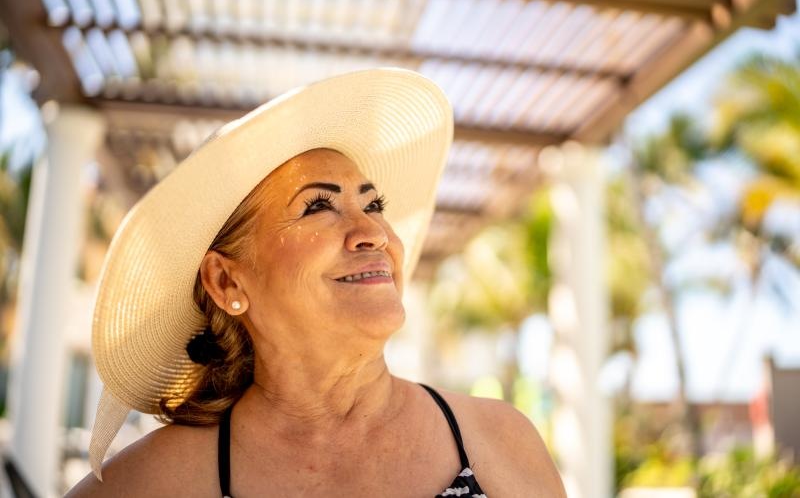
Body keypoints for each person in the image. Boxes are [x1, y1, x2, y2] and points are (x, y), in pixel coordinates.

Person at [66, 69, 565, 497]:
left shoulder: (498, 439)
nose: (373, 233)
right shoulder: (151, 485)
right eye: (318, 206)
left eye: (373, 205)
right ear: (225, 280)